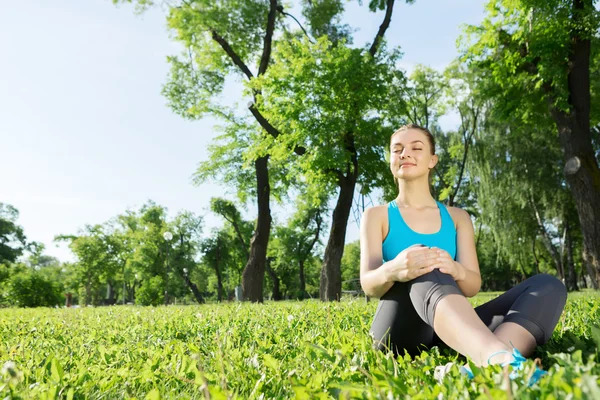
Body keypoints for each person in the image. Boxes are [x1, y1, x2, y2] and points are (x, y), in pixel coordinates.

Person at [359, 124, 567, 381]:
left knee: (547, 285)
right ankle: (497, 358)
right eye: (397, 149)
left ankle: (489, 362)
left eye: (416, 148)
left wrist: (455, 269)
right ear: (391, 160)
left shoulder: (457, 217)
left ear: (432, 160)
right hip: (400, 335)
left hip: (452, 330)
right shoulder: (377, 215)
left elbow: (471, 285)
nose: (405, 154)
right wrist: (396, 268)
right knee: (423, 258)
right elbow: (369, 285)